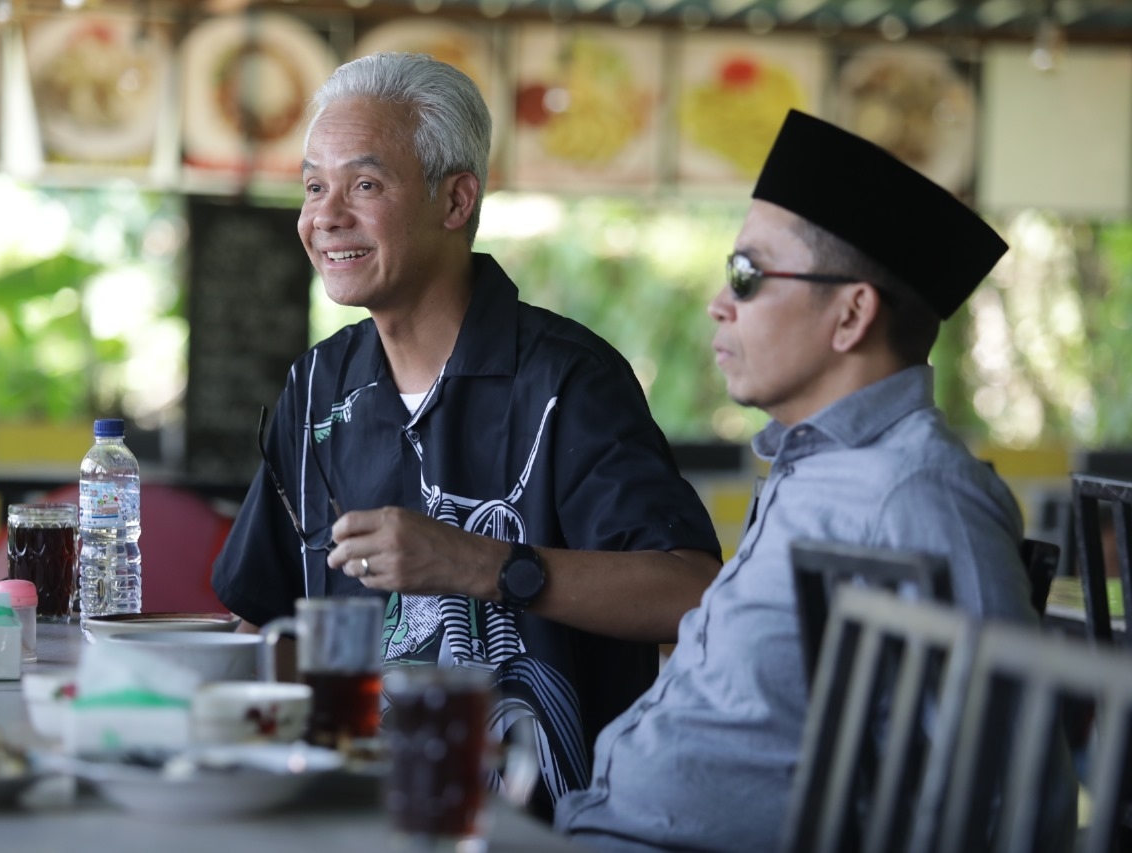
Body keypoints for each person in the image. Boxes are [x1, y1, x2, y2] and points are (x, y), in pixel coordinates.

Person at [210, 52, 722, 816]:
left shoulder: (566, 382)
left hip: (542, 824)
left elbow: (694, 592)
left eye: (365, 184)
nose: (325, 216)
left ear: (456, 200)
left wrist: (487, 564)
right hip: (348, 811)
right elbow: (262, 618)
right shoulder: (316, 388)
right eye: (314, 185)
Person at [553, 110, 1077, 851]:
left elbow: (1008, 796)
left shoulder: (916, 493)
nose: (719, 301)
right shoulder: (816, 465)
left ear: (851, 314)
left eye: (749, 273)